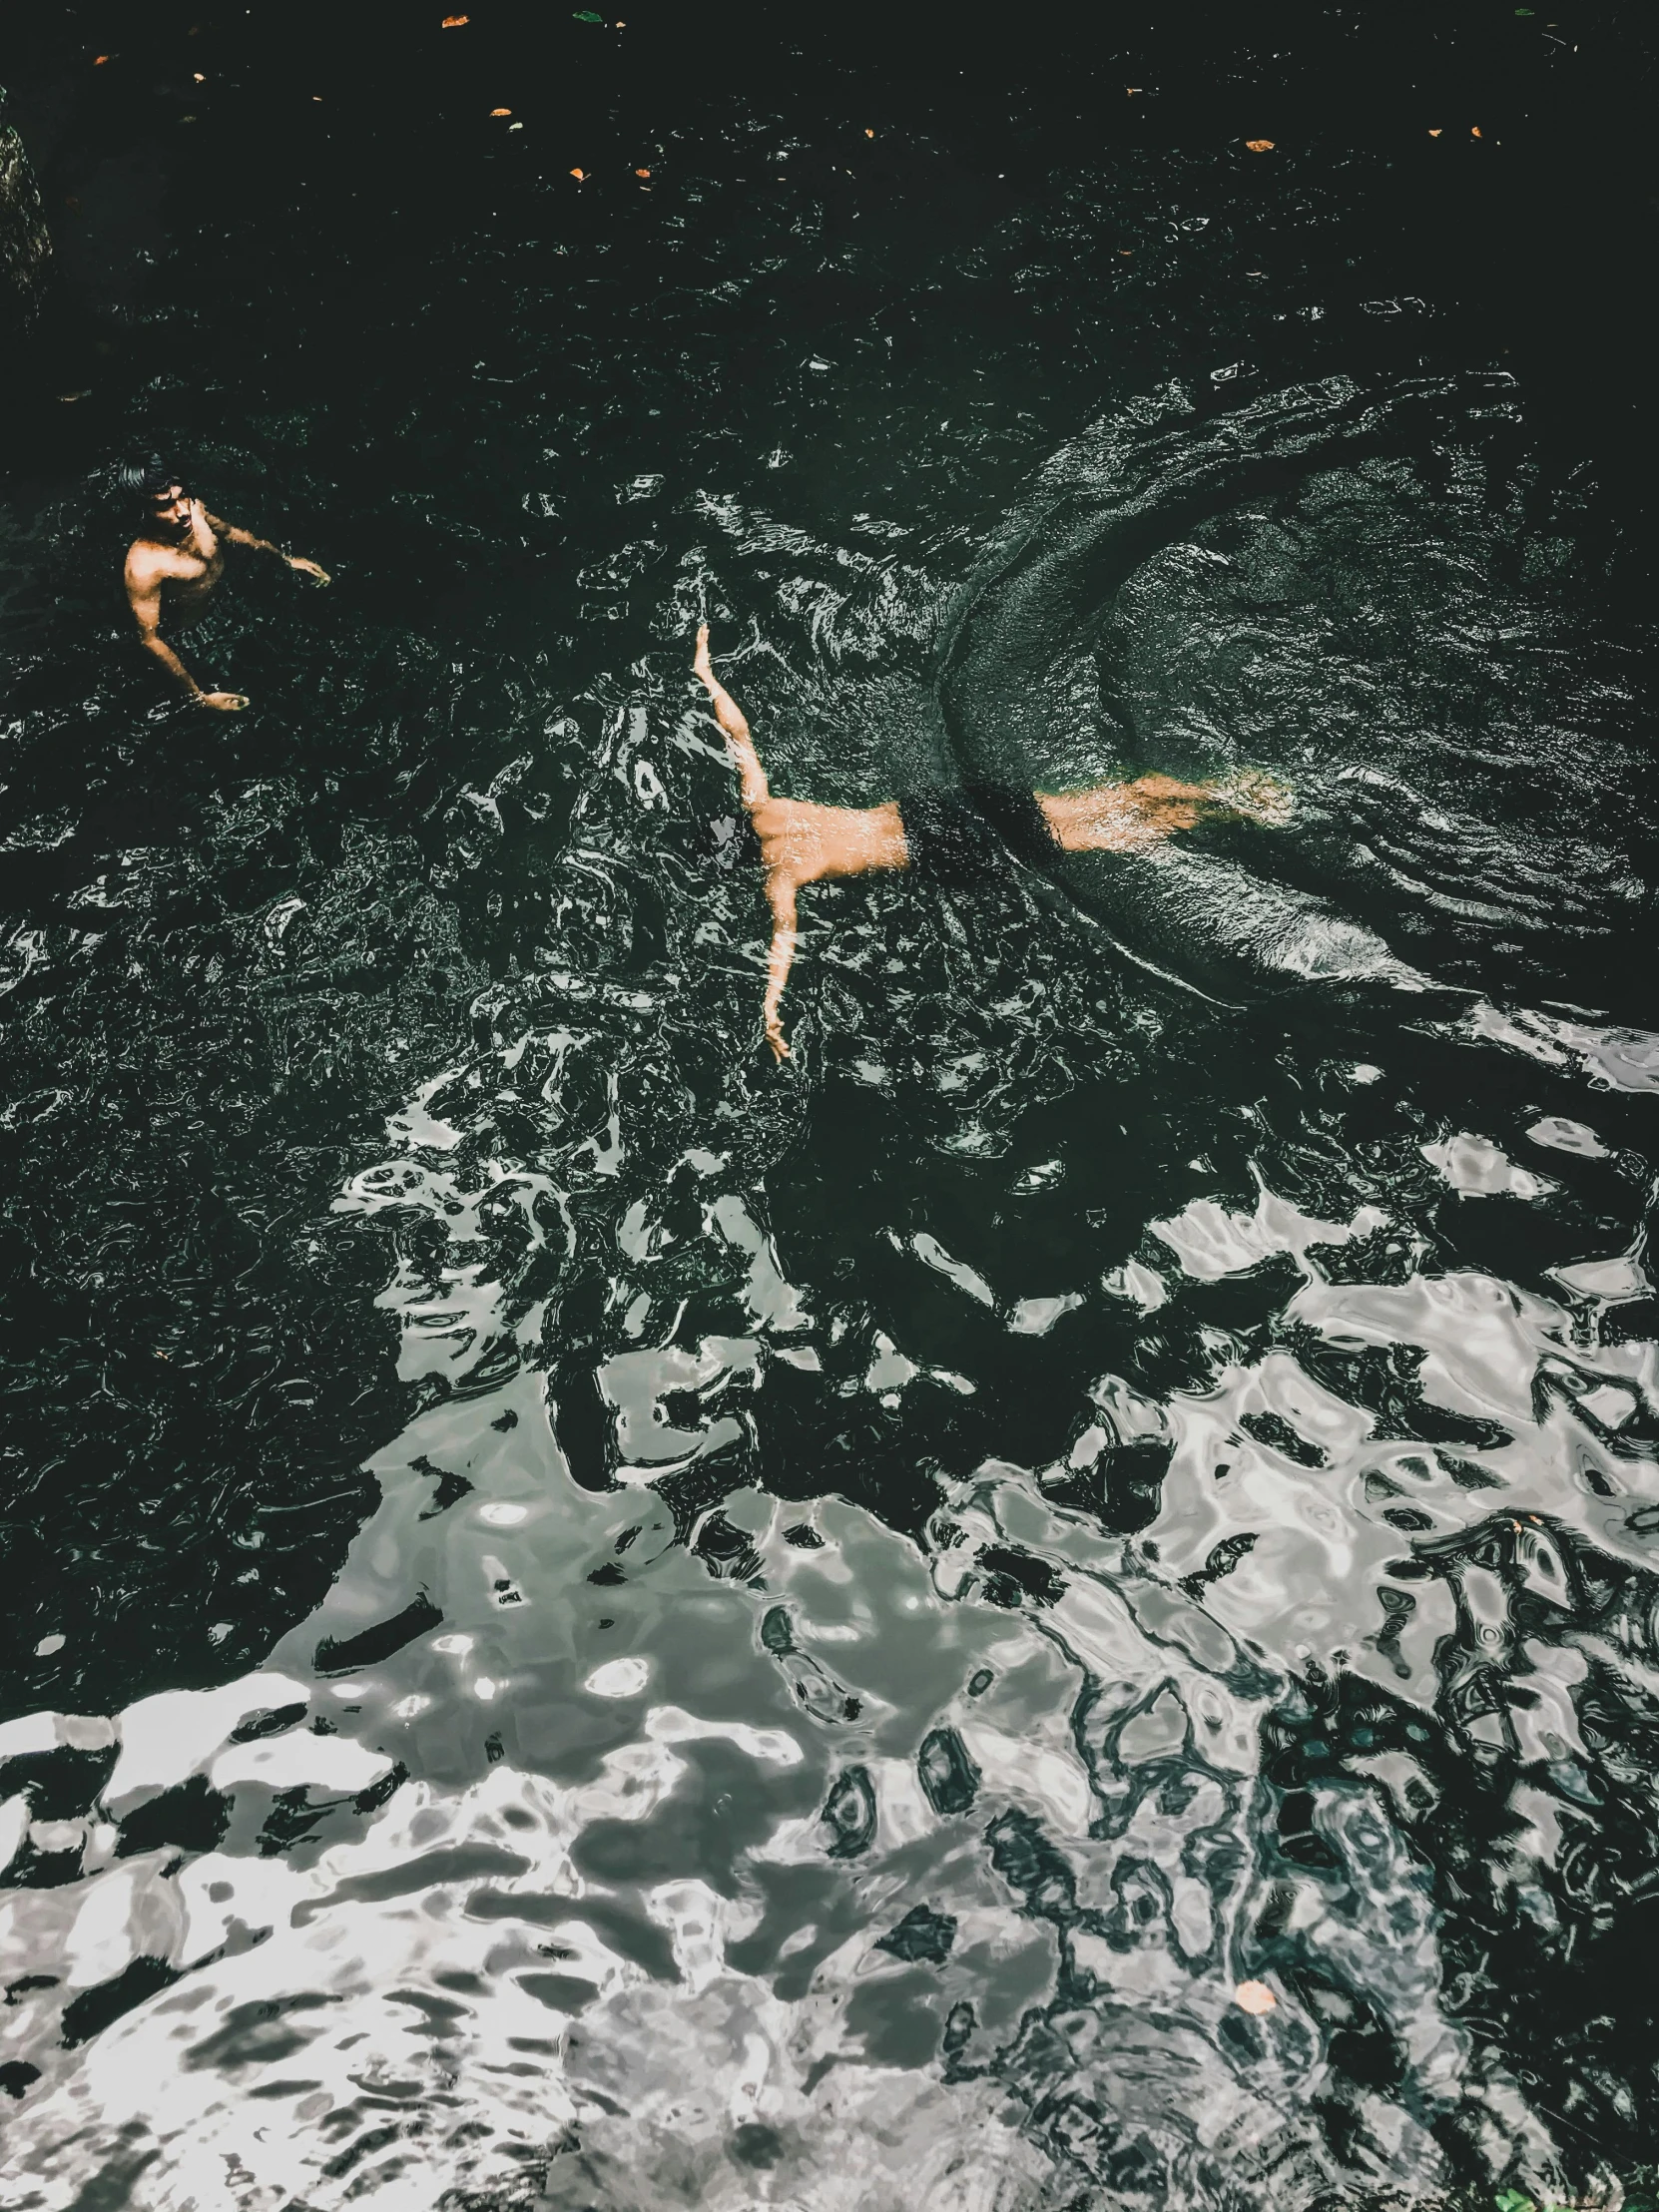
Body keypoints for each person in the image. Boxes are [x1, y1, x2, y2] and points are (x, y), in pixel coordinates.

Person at [692, 624, 1289, 1059]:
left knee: (1098, 835)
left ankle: (1225, 818)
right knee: (1090, 803)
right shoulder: (763, 806)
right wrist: (707, 674)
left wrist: (771, 1011)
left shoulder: (782, 870)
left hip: (942, 851)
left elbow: (784, 939)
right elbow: (738, 732)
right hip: (933, 810)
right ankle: (1225, 792)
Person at [121, 459, 329, 711]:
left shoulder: (195, 511)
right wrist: (200, 698)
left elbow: (231, 533)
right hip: (194, 638)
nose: (183, 511)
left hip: (229, 601)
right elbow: (150, 640)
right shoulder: (144, 567)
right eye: (166, 505)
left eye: (182, 496)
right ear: (143, 511)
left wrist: (285, 560)